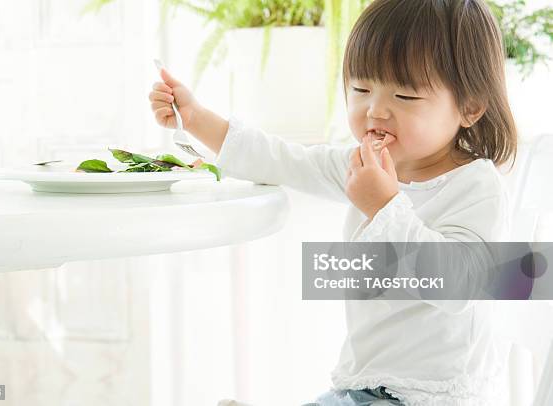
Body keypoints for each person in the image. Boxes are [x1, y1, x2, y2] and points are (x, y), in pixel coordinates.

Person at [148, 0, 518, 404]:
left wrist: (384, 205)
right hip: (365, 387)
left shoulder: (476, 186)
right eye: (361, 89)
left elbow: (459, 287)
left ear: (469, 107)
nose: (375, 109)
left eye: (405, 96)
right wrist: (197, 117)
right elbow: (284, 160)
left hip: (432, 397)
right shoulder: (361, 164)